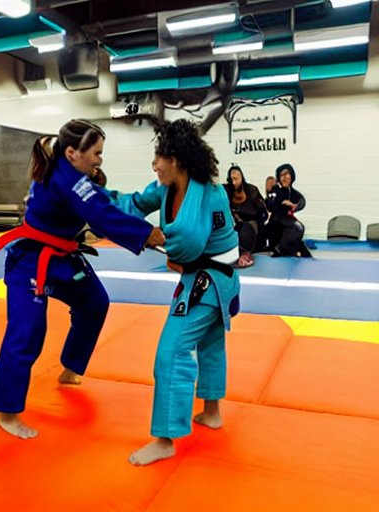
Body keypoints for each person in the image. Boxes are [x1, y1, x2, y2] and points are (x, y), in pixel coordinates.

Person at [0, 119, 165, 440]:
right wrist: (147, 235)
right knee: (27, 331)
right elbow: (101, 215)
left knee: (94, 303)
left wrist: (156, 195)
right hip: (31, 261)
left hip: (62, 258)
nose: (99, 159)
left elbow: (108, 202)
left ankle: (70, 366)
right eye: (96, 153)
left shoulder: (75, 176)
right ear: (72, 152)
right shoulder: (68, 181)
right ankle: (7, 413)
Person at [111, 119, 240, 466]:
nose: (155, 165)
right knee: (211, 343)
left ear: (178, 160)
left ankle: (165, 438)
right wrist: (98, 198)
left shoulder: (209, 195)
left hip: (210, 281)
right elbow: (135, 203)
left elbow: (187, 243)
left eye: (159, 158)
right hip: (206, 277)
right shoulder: (166, 188)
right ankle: (211, 412)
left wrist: (164, 248)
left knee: (171, 351)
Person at [224, 165, 268, 268]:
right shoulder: (226, 190)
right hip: (234, 223)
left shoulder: (252, 190)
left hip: (250, 224)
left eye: (236, 178)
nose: (234, 182)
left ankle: (244, 254)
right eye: (231, 179)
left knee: (247, 228)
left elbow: (262, 211)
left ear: (241, 177)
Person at [265, 163, 311, 257]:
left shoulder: (292, 192)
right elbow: (270, 205)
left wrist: (296, 206)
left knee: (301, 247)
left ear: (291, 176)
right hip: (276, 224)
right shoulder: (276, 190)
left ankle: (290, 249)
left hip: (287, 225)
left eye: (286, 174)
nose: (284, 178)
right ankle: (280, 248)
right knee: (298, 227)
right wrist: (281, 201)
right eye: (281, 175)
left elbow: (301, 201)